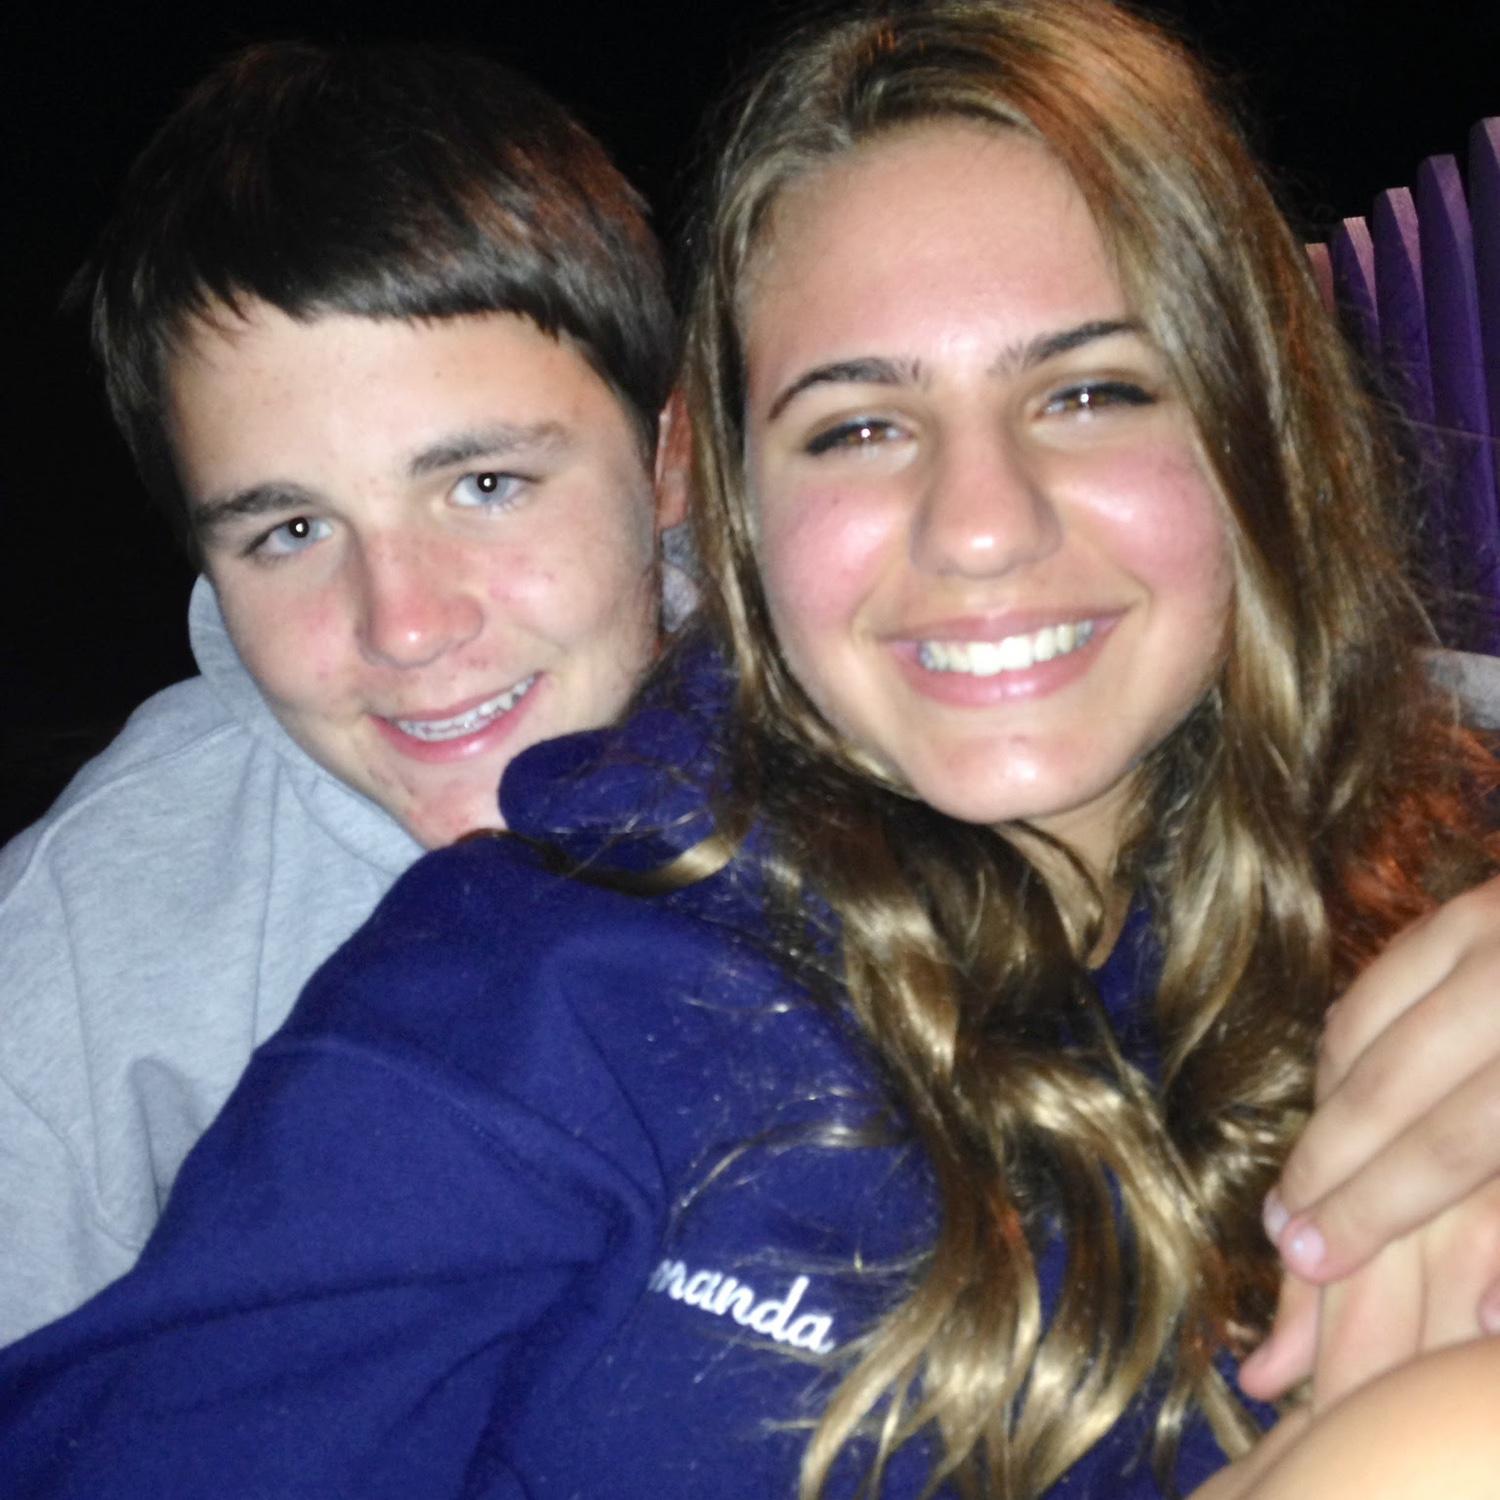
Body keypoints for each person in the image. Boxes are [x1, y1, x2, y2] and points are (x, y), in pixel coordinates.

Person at [1, 2, 1498, 1496]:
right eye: (857, 426)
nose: (981, 527)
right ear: (746, 495)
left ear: (677, 483)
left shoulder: (1422, 846)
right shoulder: (512, 985)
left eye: (1091, 392)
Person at [0, 40, 682, 1344]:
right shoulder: (74, 962)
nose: (405, 626)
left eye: (485, 485)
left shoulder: (888, 757)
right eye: (292, 531)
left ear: (671, 460)